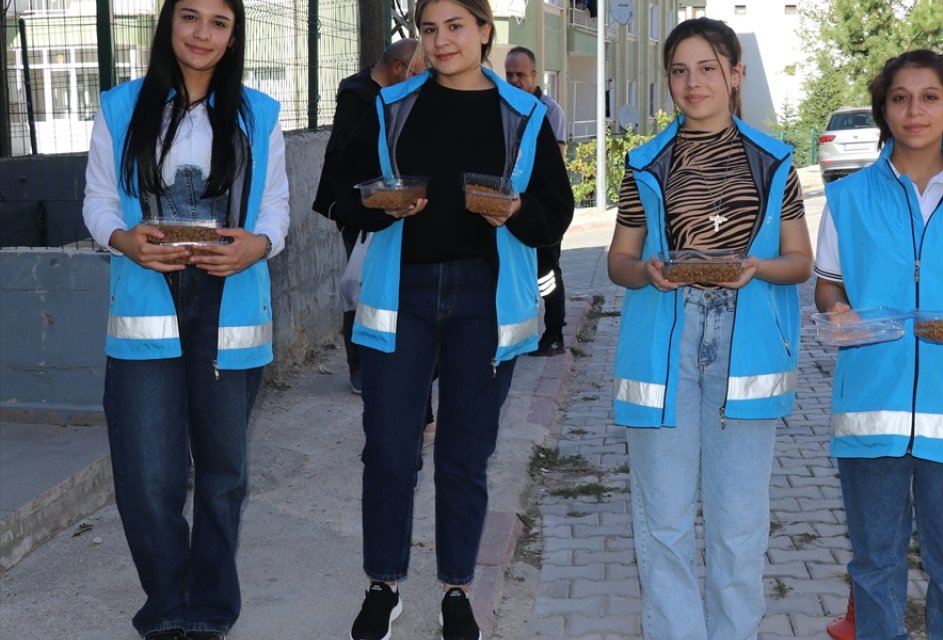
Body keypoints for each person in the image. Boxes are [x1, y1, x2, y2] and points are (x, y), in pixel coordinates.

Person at [326, 1, 573, 639]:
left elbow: (555, 210)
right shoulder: (389, 106)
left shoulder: (524, 114)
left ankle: (456, 590)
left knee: (464, 454)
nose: (441, 42)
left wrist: (514, 211)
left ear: (486, 32)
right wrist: (383, 205)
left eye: (455, 27)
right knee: (387, 448)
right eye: (429, 30)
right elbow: (338, 189)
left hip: (483, 301)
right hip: (399, 293)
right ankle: (383, 584)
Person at [80, 0, 288, 638]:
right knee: (149, 475)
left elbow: (275, 207)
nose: (202, 34)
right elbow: (96, 200)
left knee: (224, 474)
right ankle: (167, 608)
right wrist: (122, 240)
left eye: (219, 23)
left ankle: (212, 610)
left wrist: (259, 245)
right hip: (148, 303)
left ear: (233, 37)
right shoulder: (120, 107)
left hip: (228, 305)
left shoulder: (260, 113)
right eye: (190, 17)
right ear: (168, 25)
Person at [608, 17, 812, 640]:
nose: (691, 83)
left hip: (744, 354)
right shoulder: (645, 163)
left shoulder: (775, 161)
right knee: (663, 523)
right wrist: (646, 271)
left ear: (734, 73)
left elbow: (800, 261)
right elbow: (618, 260)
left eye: (705, 67)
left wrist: (755, 269)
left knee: (738, 525)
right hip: (662, 353)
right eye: (678, 70)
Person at [813, 49, 943, 640]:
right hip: (870, 411)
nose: (915, 110)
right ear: (884, 108)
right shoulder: (848, 199)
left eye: (930, 96)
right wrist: (839, 311)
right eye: (900, 97)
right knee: (874, 563)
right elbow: (828, 287)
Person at [312, 38, 417, 395]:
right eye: (415, 72)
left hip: (392, 204)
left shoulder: (387, 95)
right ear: (399, 69)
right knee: (360, 286)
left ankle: (389, 357)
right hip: (361, 209)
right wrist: (369, 201)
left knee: (387, 286)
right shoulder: (359, 98)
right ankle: (359, 366)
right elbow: (346, 160)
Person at [504, 45, 573, 357]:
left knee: (546, 273)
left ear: (534, 75)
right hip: (511, 207)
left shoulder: (548, 110)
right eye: (510, 74)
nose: (515, 80)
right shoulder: (505, 106)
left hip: (542, 207)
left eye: (521, 74)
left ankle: (554, 333)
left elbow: (553, 161)